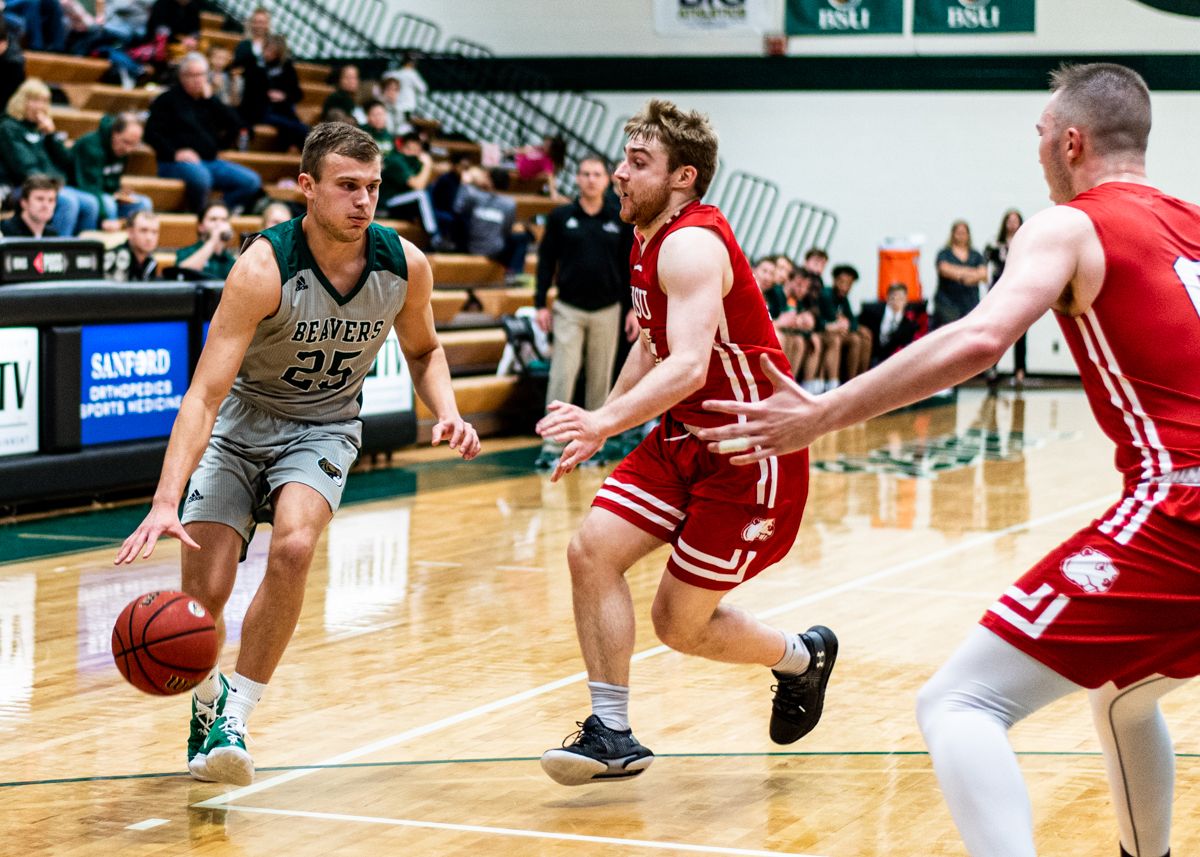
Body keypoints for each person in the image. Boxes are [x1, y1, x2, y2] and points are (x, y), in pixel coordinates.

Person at [698, 63, 1200, 857]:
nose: (1036, 150)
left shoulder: (1067, 225)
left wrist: (823, 411)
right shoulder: (1193, 222)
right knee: (1124, 698)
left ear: (1071, 142)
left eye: (1040, 135)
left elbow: (978, 337)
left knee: (959, 703)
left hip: (1181, 506)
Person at [114, 121, 481, 787]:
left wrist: (448, 411)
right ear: (307, 187)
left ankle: (237, 718)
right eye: (348, 186)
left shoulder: (404, 264)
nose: (364, 200)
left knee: (293, 548)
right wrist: (166, 498)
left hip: (325, 426)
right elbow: (202, 394)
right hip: (240, 424)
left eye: (373, 187)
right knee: (206, 594)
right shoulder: (262, 268)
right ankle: (204, 701)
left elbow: (425, 351)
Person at [534, 99, 836, 787]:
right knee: (590, 550)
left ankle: (799, 656)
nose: (618, 174)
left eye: (638, 164)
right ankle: (611, 732)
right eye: (623, 159)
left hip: (749, 453)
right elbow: (650, 342)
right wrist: (600, 420)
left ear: (684, 177)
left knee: (678, 622)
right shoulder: (645, 237)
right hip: (681, 438)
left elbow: (690, 363)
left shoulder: (692, 243)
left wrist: (605, 423)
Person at [533, 155, 635, 469]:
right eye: (585, 174)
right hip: (568, 308)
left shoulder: (618, 218)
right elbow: (546, 261)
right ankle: (551, 446)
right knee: (562, 376)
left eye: (596, 174)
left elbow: (629, 266)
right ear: (577, 179)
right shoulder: (561, 216)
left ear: (607, 180)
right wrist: (540, 303)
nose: (590, 179)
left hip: (608, 309)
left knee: (600, 381)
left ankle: (595, 445)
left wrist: (632, 308)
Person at [144, 52, 261, 214]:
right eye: (192, 75)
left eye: (201, 75)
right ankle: (201, 216)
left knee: (251, 181)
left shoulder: (209, 102)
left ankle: (219, 213)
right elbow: (151, 133)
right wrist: (175, 153)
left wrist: (212, 99)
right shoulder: (166, 100)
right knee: (202, 178)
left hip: (210, 161)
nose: (198, 79)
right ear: (182, 76)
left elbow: (236, 123)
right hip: (174, 163)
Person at [0, 78, 100, 236]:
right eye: (35, 100)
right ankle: (58, 249)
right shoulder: (8, 127)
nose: (40, 106)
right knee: (68, 203)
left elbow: (67, 161)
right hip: (21, 186)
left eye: (44, 101)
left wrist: (52, 135)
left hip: (52, 184)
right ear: (21, 102)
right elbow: (23, 167)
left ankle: (79, 253)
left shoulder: (43, 129)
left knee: (91, 203)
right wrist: (51, 185)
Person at [71, 111, 154, 231]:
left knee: (143, 203)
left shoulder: (122, 149)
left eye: (134, 145)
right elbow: (90, 186)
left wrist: (119, 192)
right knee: (108, 204)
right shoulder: (91, 146)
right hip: (79, 188)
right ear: (115, 133)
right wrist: (105, 218)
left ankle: (134, 247)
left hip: (102, 192)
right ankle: (108, 245)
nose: (128, 149)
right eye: (126, 142)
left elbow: (110, 181)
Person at [239, 34, 307, 152]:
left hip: (282, 109)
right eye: (267, 49)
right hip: (259, 110)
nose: (268, 54)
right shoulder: (253, 64)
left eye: (273, 52)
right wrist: (265, 95)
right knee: (299, 129)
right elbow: (249, 94)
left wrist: (283, 96)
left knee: (295, 128)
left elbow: (297, 94)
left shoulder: (286, 68)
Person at [454, 166, 528, 273]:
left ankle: (513, 273)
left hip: (473, 246)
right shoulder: (509, 204)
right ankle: (514, 273)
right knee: (523, 237)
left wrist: (464, 183)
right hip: (494, 248)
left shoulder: (475, 196)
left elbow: (458, 207)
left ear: (489, 181)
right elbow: (506, 230)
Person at [985, 208, 1026, 385]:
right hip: (999, 291)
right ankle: (992, 368)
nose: (1012, 223)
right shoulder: (995, 244)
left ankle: (1020, 371)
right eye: (1009, 220)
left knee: (1020, 333)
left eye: (1015, 220)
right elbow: (985, 266)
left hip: (1021, 291)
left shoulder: (1027, 242)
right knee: (996, 331)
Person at [818, 263, 871, 389]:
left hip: (839, 332)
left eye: (849, 284)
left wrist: (847, 324)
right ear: (835, 280)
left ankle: (861, 379)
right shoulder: (826, 294)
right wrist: (843, 324)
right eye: (842, 282)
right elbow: (831, 319)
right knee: (855, 339)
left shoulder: (844, 299)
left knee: (865, 336)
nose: (845, 286)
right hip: (823, 331)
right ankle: (848, 383)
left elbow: (852, 321)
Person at [932, 219, 988, 329]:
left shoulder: (975, 254)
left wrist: (958, 272)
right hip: (948, 304)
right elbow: (944, 269)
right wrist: (971, 273)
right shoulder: (944, 253)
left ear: (968, 235)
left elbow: (983, 274)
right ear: (952, 234)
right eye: (958, 233)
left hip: (970, 304)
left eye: (963, 233)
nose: (961, 236)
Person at [859, 282, 927, 366]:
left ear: (906, 300)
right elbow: (858, 323)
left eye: (900, 298)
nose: (896, 300)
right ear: (887, 298)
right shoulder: (872, 312)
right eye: (893, 297)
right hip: (870, 357)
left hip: (892, 363)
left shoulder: (910, 324)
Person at [176, 201, 236, 279]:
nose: (219, 224)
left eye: (224, 220)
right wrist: (213, 241)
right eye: (213, 219)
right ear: (201, 226)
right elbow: (182, 274)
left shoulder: (231, 260)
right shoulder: (186, 252)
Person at [104, 209, 160, 281]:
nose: (149, 237)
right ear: (130, 232)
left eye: (154, 232)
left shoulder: (151, 262)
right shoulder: (113, 258)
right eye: (143, 230)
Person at [0, 173, 58, 237]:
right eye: (40, 199)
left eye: (51, 200)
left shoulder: (52, 235)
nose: (46, 205)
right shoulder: (6, 231)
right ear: (24, 202)